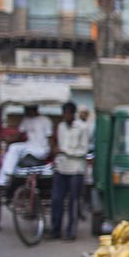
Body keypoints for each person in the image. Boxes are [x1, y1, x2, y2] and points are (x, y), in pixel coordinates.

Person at [48, 102, 90, 240]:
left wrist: (65, 151)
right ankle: (55, 230)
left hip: (75, 170)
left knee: (73, 201)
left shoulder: (82, 128)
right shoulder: (60, 127)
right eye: (64, 113)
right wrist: (57, 151)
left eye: (68, 113)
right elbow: (58, 146)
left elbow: (83, 150)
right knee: (56, 200)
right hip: (61, 168)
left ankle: (71, 232)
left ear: (73, 114)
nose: (66, 116)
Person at [0, 104, 53, 189]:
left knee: (22, 151)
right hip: (29, 146)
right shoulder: (26, 119)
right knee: (13, 147)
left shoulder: (45, 120)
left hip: (41, 149)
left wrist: (50, 151)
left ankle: (8, 176)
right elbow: (19, 135)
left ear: (33, 109)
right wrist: (6, 139)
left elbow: (50, 138)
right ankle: (5, 178)